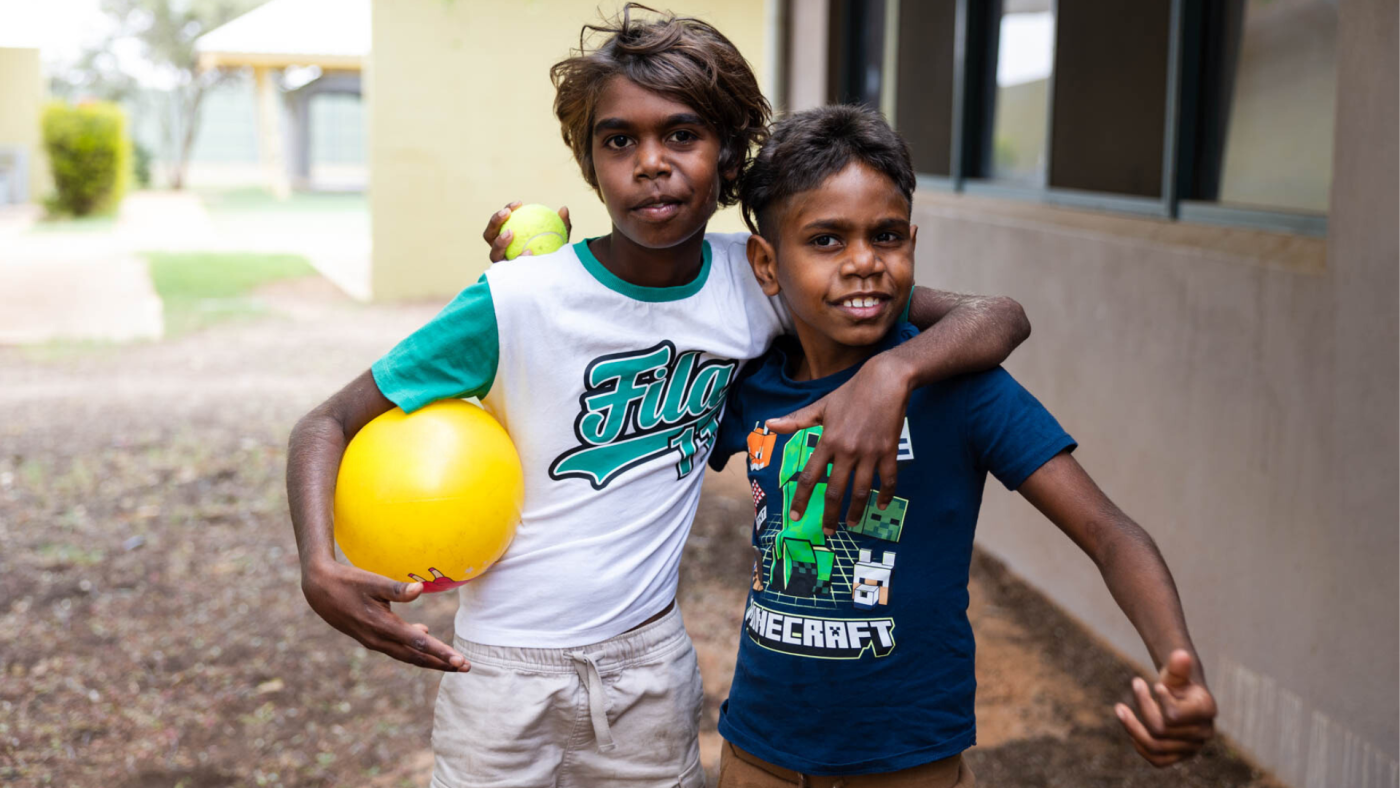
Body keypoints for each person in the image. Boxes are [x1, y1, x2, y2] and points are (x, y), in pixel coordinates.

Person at [287, 8, 1030, 788]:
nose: (651, 164)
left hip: (649, 668)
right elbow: (327, 423)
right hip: (501, 671)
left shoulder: (762, 278)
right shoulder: (516, 301)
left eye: (682, 135)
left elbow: (996, 317)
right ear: (589, 162)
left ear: (731, 158)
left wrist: (892, 372)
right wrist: (318, 563)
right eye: (619, 141)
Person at [707, 104, 1219, 788]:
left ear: (912, 244)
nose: (864, 262)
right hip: (757, 757)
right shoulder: (752, 388)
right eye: (826, 240)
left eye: (886, 236)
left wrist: (1178, 660)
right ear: (767, 264)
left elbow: (1111, 533)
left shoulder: (963, 389)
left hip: (910, 765)